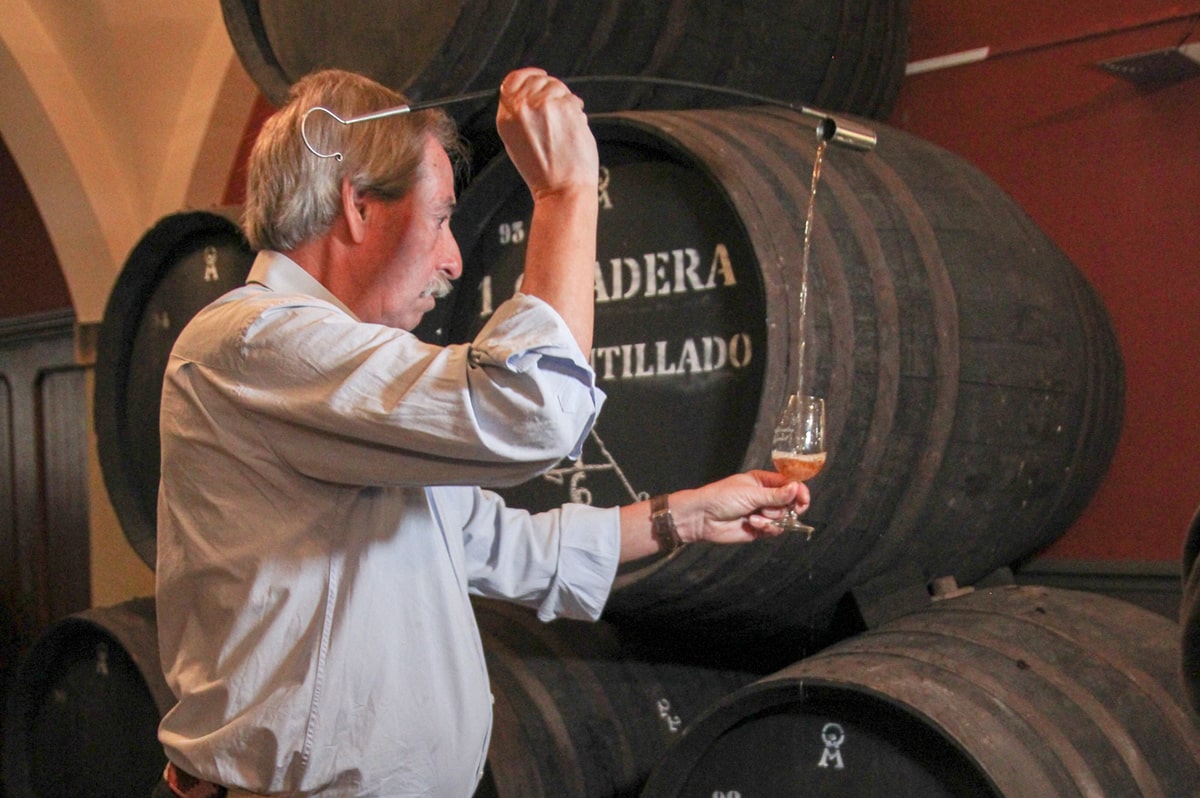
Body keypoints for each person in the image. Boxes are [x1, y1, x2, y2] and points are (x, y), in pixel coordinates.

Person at [153, 67, 810, 797]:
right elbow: (535, 408)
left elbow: (497, 545)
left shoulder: (331, 384)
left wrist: (682, 517)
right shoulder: (257, 342)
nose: (454, 260)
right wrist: (565, 194)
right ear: (358, 207)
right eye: (440, 218)